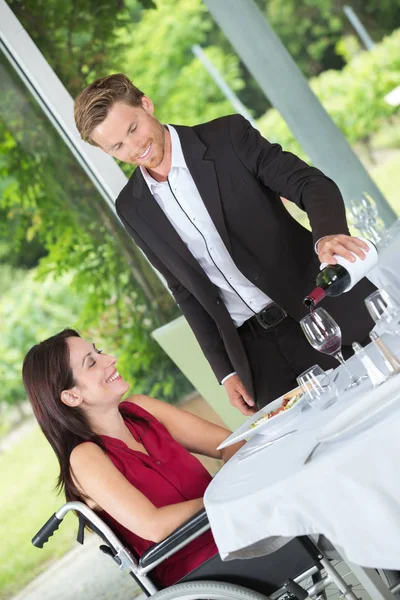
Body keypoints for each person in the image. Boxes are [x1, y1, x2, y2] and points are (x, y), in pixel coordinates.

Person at [74, 74, 375, 414]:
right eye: (117, 147)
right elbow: (183, 289)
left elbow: (309, 184)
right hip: (258, 360)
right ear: (103, 150)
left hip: (319, 312)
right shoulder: (131, 207)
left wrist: (327, 235)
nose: (134, 148)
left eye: (133, 129)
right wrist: (225, 371)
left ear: (146, 104)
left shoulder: (227, 137)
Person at [22, 329, 244, 588]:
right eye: (92, 362)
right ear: (72, 396)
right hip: (202, 571)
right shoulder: (85, 458)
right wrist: (226, 494)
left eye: (99, 351)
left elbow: (231, 444)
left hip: (234, 528)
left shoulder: (142, 410)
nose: (110, 359)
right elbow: (154, 526)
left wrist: (235, 492)